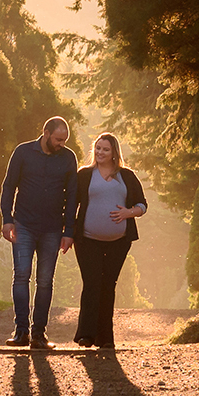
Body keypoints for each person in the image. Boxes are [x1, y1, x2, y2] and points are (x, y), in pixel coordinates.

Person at [0, 117, 78, 349]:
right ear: (45, 133)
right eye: (57, 139)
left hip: (53, 228)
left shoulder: (68, 158)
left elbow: (72, 195)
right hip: (23, 224)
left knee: (45, 281)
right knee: (22, 276)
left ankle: (39, 335)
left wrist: (69, 231)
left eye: (65, 140)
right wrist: (7, 219)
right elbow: (8, 186)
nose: (61, 144)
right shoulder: (23, 152)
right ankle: (20, 332)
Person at [72, 132, 146, 349]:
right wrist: (66, 233)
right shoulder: (84, 175)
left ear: (114, 153)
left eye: (105, 149)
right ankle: (86, 335)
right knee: (92, 283)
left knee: (108, 286)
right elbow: (71, 204)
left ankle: (105, 338)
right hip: (87, 240)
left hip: (119, 241)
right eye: (98, 148)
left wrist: (128, 213)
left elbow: (142, 205)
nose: (100, 152)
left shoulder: (127, 176)